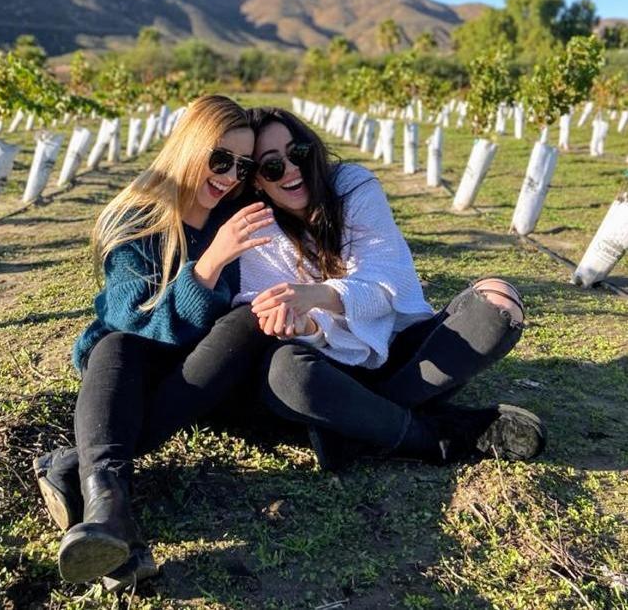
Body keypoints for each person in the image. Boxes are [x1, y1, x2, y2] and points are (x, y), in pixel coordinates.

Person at [45, 95, 278, 586]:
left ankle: (75, 469)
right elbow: (132, 320)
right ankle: (109, 507)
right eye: (220, 159)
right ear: (190, 147)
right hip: (132, 369)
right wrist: (211, 262)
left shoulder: (235, 214)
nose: (231, 176)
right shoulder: (136, 218)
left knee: (246, 325)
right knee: (115, 346)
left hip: (201, 371)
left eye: (243, 165)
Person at [235, 106, 545, 469]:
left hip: (399, 347)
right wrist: (307, 326)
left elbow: (384, 289)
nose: (291, 169)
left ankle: (354, 426)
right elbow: (281, 321)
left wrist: (317, 296)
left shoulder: (353, 186)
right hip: (332, 366)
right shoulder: (255, 227)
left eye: (297, 153)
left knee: (498, 300)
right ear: (256, 180)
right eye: (272, 166)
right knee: (285, 372)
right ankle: (438, 436)